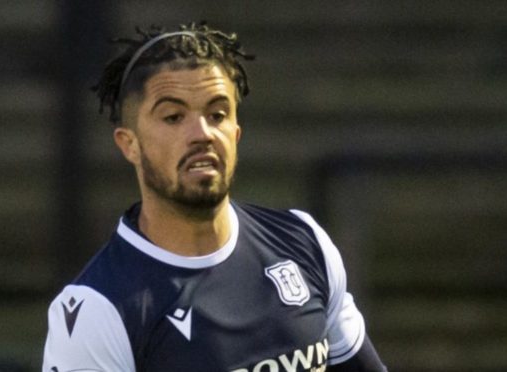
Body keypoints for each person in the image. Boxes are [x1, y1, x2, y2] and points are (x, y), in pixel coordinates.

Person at [42, 22, 387, 372]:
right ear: (129, 144)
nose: (202, 134)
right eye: (174, 117)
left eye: (217, 114)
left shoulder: (303, 242)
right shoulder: (98, 309)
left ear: (236, 133)